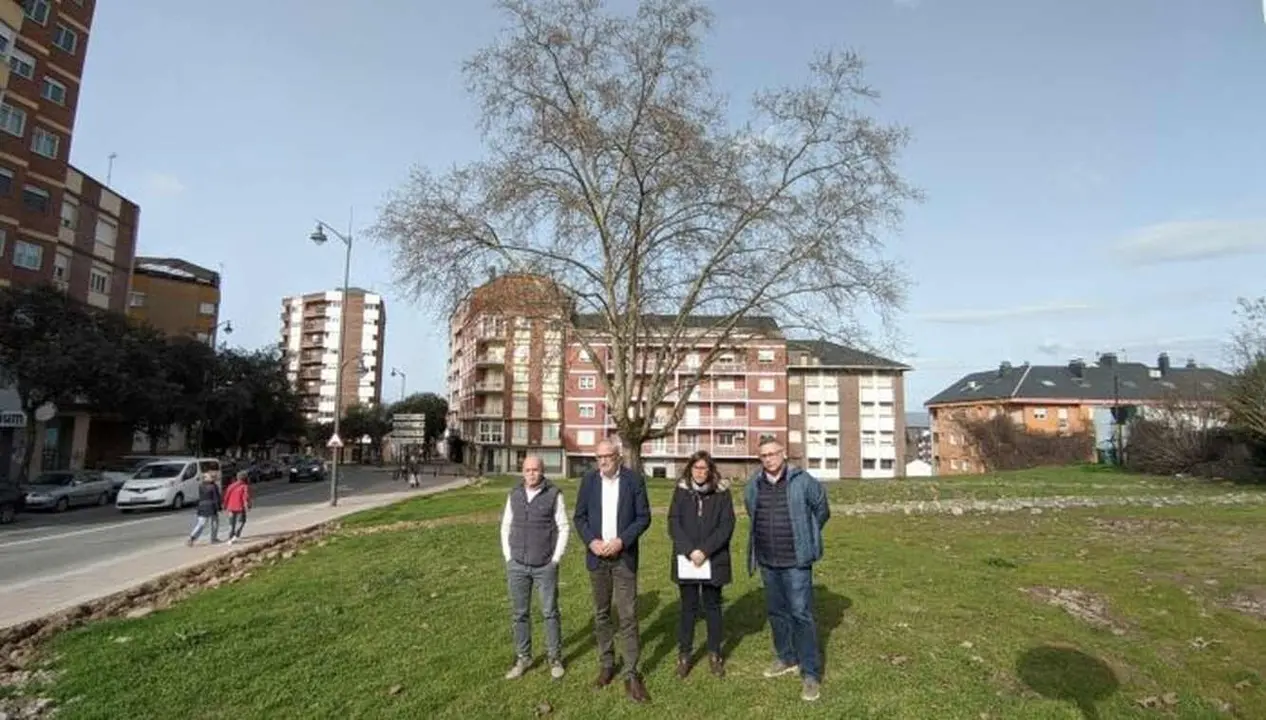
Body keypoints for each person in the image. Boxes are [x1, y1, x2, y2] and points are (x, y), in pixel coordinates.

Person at [744, 438, 831, 702]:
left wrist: (807, 534)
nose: (768, 459)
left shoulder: (803, 481)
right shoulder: (754, 484)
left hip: (795, 561)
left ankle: (810, 673)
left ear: (783, 454)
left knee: (801, 614)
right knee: (776, 613)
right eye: (763, 456)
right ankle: (786, 657)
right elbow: (751, 511)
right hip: (768, 560)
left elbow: (822, 509)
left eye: (773, 453)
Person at [573, 439, 652, 703]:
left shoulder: (633, 481)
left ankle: (631, 673)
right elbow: (580, 517)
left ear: (618, 457)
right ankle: (607, 664)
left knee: (628, 615)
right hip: (597, 559)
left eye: (607, 456)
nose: (603, 461)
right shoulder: (589, 481)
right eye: (599, 457)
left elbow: (644, 517)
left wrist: (622, 541)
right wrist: (591, 542)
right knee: (602, 613)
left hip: (623, 558)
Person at [500, 455, 570, 681]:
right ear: (523, 472)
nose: (531, 474)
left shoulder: (553, 494)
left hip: (545, 566)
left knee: (550, 612)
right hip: (517, 565)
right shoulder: (514, 494)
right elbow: (505, 526)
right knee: (520, 614)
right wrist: (509, 557)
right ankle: (524, 657)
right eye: (528, 470)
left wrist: (555, 559)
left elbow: (564, 527)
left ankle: (554, 657)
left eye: (535, 470)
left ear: (542, 471)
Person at [668, 450, 735, 679]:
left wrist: (705, 550)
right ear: (690, 469)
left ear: (710, 470)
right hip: (687, 559)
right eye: (696, 468)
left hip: (713, 559)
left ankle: (714, 654)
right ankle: (684, 655)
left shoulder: (722, 493)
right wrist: (690, 551)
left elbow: (726, 525)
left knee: (713, 607)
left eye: (704, 468)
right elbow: (674, 522)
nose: (700, 472)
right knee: (688, 608)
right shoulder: (681, 491)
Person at [187, 471, 223, 546]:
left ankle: (192, 537)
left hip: (202, 506)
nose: (214, 478)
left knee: (201, 524)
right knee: (214, 522)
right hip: (211, 506)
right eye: (213, 477)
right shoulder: (213, 486)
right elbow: (216, 498)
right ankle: (213, 539)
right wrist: (219, 508)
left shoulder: (200, 485)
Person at [223, 470, 252, 544]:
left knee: (231, 523)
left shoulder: (231, 486)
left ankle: (230, 538)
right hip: (240, 507)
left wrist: (225, 506)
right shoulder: (245, 486)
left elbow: (226, 496)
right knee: (242, 522)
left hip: (230, 507)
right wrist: (248, 506)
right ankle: (236, 535)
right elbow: (246, 497)